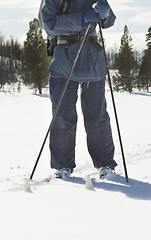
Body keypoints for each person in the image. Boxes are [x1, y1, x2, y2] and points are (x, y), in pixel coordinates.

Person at [40, 0, 118, 179]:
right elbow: (49, 25)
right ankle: (62, 166)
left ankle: (105, 164)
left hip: (92, 58)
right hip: (63, 58)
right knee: (62, 116)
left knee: (97, 116)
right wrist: (81, 18)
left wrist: (106, 15)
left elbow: (108, 20)